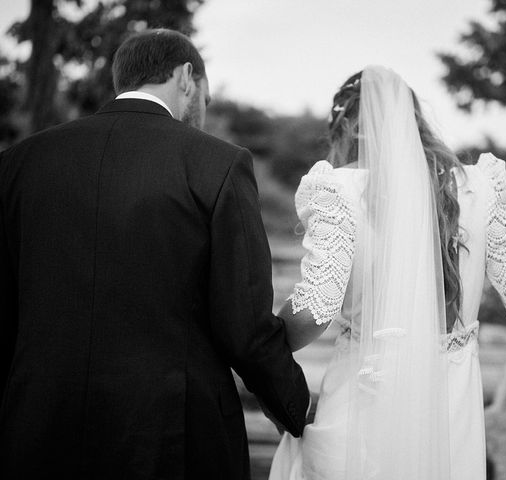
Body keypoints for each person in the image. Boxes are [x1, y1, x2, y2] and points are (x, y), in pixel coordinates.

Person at [0, 29, 309, 479]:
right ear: (187, 77)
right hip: (171, 437)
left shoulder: (18, 163)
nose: (203, 109)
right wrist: (294, 409)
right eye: (205, 94)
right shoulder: (217, 164)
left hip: (37, 431)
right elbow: (243, 324)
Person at [269, 66, 506, 480]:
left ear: (350, 129)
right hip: (450, 416)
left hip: (362, 408)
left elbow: (312, 313)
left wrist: (259, 343)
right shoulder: (482, 188)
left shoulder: (339, 190)